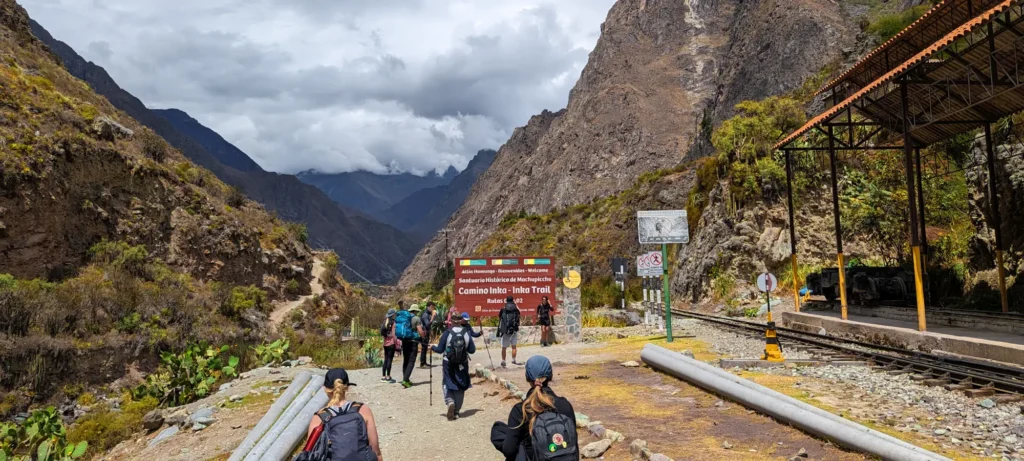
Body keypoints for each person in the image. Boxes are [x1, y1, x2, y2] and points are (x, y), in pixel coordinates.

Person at [491, 356, 578, 461]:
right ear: (550, 376)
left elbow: (509, 451)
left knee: (498, 430)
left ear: (527, 377)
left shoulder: (521, 410)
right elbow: (573, 441)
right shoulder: (565, 405)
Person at [303, 368, 382, 461]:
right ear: (347, 387)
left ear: (325, 389)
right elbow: (375, 449)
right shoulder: (363, 410)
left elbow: (310, 454)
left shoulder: (319, 418)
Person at [431, 316, 476, 420]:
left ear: (451, 321)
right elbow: (472, 350)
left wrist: (432, 347)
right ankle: (456, 411)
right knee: (461, 385)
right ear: (461, 321)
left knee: (447, 383)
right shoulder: (466, 332)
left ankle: (450, 401)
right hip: (462, 364)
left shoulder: (447, 333)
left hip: (448, 363)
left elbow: (440, 349)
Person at [397, 303, 425, 389]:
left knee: (406, 360)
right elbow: (420, 330)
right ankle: (405, 380)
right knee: (411, 361)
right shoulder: (416, 318)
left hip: (405, 341)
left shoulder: (406, 317)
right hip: (413, 342)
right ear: (416, 311)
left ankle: (405, 379)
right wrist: (423, 336)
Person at [497, 296, 521, 368]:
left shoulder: (503, 309)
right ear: (513, 301)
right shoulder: (515, 309)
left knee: (504, 347)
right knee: (514, 346)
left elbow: (499, 317)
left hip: (505, 331)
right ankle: (513, 360)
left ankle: (503, 360)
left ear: (506, 301)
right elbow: (519, 313)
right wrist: (516, 305)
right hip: (514, 330)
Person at [380, 309, 398, 383]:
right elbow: (393, 335)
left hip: (385, 344)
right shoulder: (393, 323)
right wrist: (396, 343)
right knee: (390, 360)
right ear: (393, 315)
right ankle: (388, 376)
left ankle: (383, 376)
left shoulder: (385, 322)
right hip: (391, 344)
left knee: (386, 359)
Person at [419, 302, 436, 368]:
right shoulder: (425, 314)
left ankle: (424, 362)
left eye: (433, 307)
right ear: (427, 307)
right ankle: (422, 364)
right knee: (424, 348)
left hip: (427, 332)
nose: (432, 309)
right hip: (424, 333)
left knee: (425, 348)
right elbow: (427, 324)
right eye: (431, 307)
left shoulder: (428, 314)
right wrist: (432, 318)